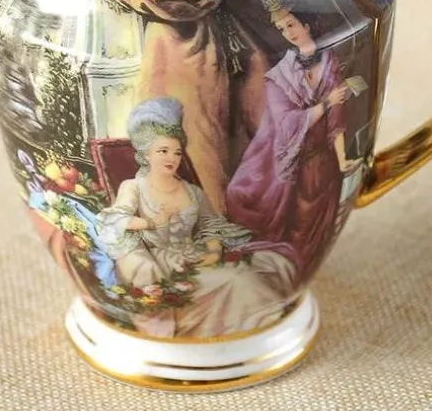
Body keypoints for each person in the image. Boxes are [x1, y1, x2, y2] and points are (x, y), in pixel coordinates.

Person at [94, 97, 298, 338]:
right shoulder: (134, 187)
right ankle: (262, 332)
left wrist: (213, 252)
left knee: (275, 264)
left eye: (177, 152)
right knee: (237, 280)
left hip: (197, 256)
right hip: (165, 266)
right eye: (163, 151)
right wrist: (152, 223)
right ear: (146, 154)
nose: (171, 158)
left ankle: (266, 332)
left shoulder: (191, 191)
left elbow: (210, 225)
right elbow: (115, 221)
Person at [226, 0, 363, 278]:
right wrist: (325, 103)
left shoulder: (329, 61)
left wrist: (342, 159)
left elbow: (337, 115)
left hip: (325, 163)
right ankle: (282, 276)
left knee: (317, 228)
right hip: (297, 165)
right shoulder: (279, 77)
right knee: (294, 225)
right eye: (281, 29)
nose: (288, 33)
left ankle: (297, 276)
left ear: (306, 24)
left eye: (291, 24)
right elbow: (286, 123)